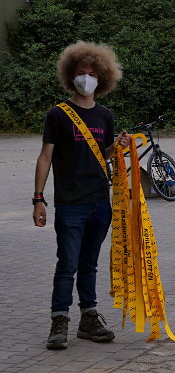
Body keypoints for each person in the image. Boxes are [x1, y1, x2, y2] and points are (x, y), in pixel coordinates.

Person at [34, 41, 131, 350]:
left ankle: (89, 319)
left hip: (100, 202)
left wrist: (119, 147)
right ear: (70, 76)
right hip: (69, 203)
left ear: (101, 78)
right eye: (80, 73)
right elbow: (45, 157)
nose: (85, 78)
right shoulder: (58, 115)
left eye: (91, 74)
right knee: (67, 264)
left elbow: (103, 155)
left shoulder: (105, 116)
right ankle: (59, 321)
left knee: (89, 264)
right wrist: (38, 198)